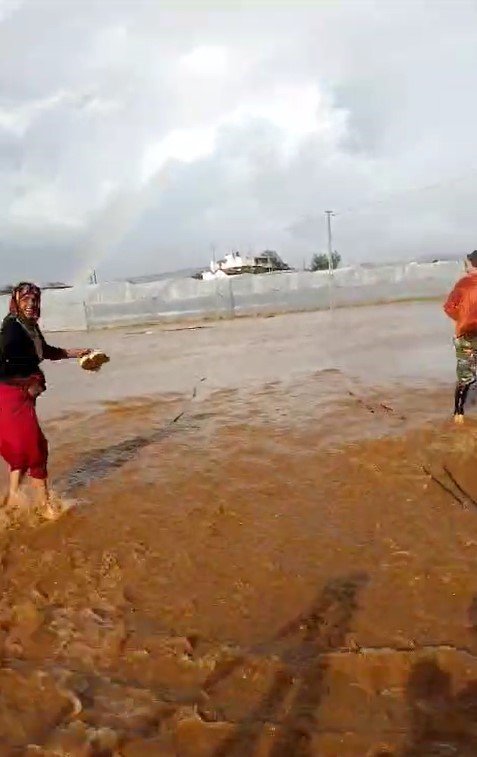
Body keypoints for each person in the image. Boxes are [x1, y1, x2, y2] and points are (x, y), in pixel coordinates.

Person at [0, 282, 91, 518]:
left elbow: (45, 351)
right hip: (10, 396)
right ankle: (45, 505)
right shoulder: (11, 328)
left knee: (22, 447)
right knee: (36, 447)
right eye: (25, 300)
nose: (30, 305)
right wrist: (29, 383)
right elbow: (6, 358)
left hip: (21, 396)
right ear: (16, 302)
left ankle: (11, 499)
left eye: (34, 301)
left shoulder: (28, 326)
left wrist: (74, 353)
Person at [443, 250, 477, 423]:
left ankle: (458, 413)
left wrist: (462, 317)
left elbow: (449, 307)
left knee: (465, 376)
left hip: (466, 334)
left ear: (471, 263)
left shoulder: (463, 284)